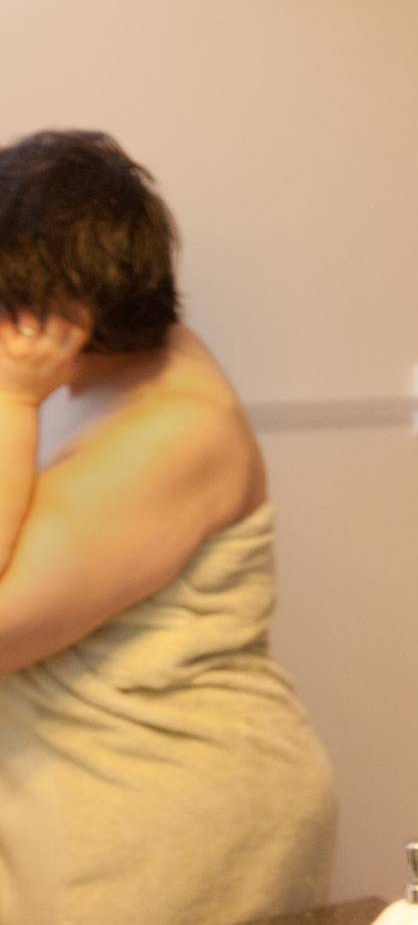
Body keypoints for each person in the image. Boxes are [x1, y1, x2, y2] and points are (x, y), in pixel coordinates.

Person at [0, 130, 337, 923]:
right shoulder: (101, 375)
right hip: (101, 804)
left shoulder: (174, 429)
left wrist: (14, 400)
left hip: (160, 823)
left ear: (58, 313)